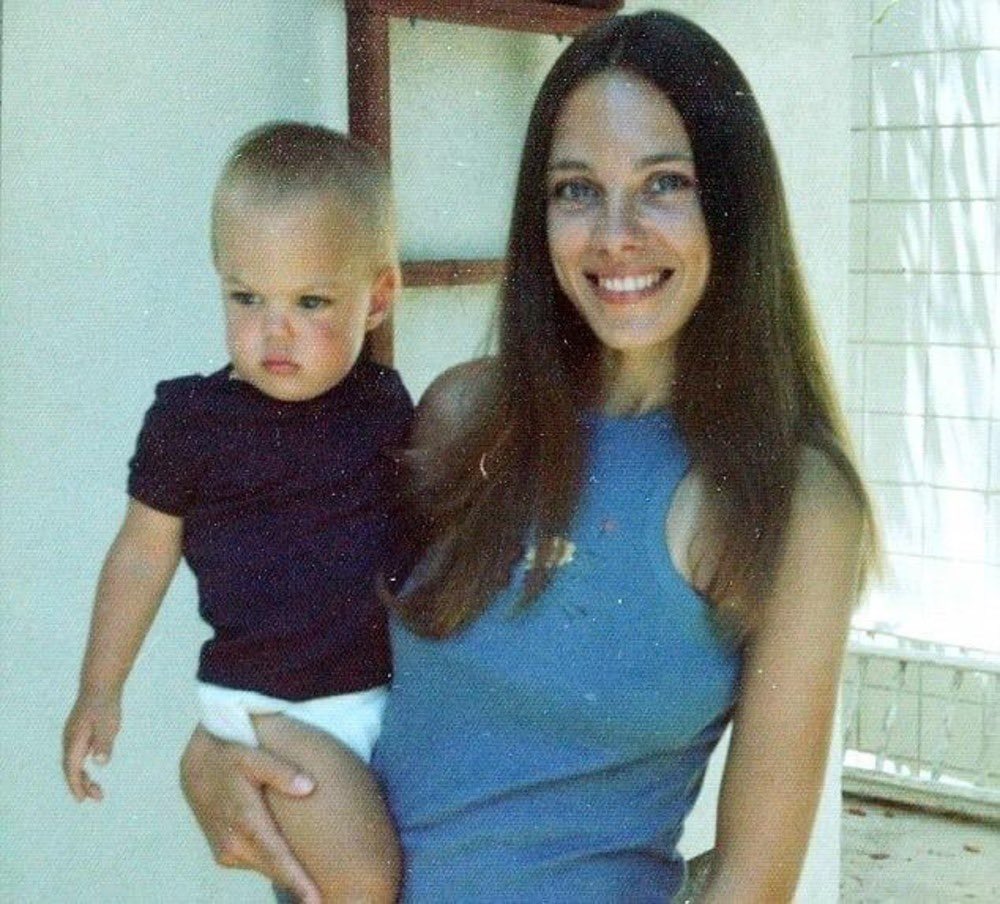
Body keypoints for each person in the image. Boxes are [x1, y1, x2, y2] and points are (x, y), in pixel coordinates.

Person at [181, 12, 878, 903]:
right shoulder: (463, 414)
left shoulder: (794, 499)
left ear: (735, 204)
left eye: (664, 183)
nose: (615, 233)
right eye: (576, 189)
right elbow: (299, 652)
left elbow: (752, 880)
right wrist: (210, 755)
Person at [62, 122, 411, 903]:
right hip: (273, 707)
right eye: (246, 297)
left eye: (311, 301)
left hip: (386, 696)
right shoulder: (191, 421)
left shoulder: (385, 408)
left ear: (378, 296)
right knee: (361, 882)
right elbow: (142, 555)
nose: (273, 330)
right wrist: (99, 690)